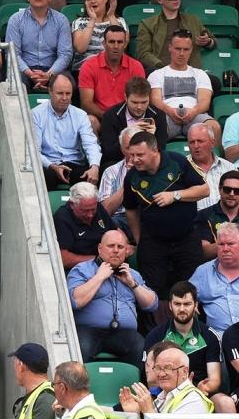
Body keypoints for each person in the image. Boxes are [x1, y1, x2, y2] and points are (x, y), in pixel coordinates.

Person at [124, 132, 209, 301]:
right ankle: (154, 327)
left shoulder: (176, 161)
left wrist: (175, 195)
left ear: (155, 151)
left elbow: (204, 190)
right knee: (151, 289)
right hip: (153, 241)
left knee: (190, 289)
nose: (134, 160)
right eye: (132, 155)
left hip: (186, 238)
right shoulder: (131, 177)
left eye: (140, 155)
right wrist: (139, 239)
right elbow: (130, 209)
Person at [67, 228, 158, 366]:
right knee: (81, 347)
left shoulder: (132, 274)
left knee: (139, 345)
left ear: (126, 251)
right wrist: (99, 277)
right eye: (111, 246)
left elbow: (152, 304)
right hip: (88, 330)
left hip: (123, 333)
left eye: (120, 247)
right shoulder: (82, 269)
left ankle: (129, 386)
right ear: (100, 248)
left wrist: (132, 284)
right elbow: (76, 301)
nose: (116, 250)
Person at [143, 282, 227, 414]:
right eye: (177, 304)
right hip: (164, 393)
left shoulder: (209, 335)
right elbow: (152, 381)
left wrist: (202, 388)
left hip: (200, 392)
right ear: (170, 305)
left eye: (187, 304)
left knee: (225, 402)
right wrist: (174, 392)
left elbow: (215, 379)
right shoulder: (156, 335)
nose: (182, 309)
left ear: (196, 305)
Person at [32, 74, 101, 190]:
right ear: (50, 91)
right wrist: (52, 166)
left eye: (68, 94)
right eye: (60, 93)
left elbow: (91, 144)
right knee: (42, 177)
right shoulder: (36, 114)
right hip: (49, 165)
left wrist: (94, 166)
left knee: (90, 177)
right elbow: (34, 151)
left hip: (74, 164)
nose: (64, 98)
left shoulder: (80, 115)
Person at [148, 31, 219, 140]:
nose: (181, 53)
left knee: (214, 127)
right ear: (170, 48)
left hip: (194, 114)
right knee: (150, 129)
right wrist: (170, 111)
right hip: (166, 115)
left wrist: (193, 112)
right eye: (177, 49)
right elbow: (155, 100)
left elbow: (205, 102)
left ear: (191, 50)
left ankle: (214, 157)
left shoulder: (200, 74)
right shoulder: (157, 74)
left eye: (186, 49)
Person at [5, 0, 73, 91]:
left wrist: (49, 74)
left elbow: (65, 54)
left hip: (53, 70)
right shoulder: (15, 20)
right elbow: (12, 54)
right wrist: (31, 74)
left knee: (67, 83)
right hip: (24, 71)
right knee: (15, 83)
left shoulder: (62, 20)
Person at [136, 0, 215, 74]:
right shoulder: (147, 24)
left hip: (190, 72)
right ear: (160, 0)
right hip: (161, 72)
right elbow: (143, 54)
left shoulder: (193, 20)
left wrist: (208, 42)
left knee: (215, 82)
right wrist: (162, 67)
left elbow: (212, 42)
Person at [79, 26, 145, 135]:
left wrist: (122, 119)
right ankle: (95, 152)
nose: (116, 46)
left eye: (120, 42)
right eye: (111, 42)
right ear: (104, 44)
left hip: (128, 118)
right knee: (90, 121)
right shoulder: (89, 66)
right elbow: (87, 103)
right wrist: (110, 117)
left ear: (125, 44)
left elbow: (140, 99)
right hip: (100, 118)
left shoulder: (136, 66)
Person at [99, 76, 167, 172]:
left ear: (149, 98)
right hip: (118, 161)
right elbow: (108, 151)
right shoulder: (111, 115)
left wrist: (151, 138)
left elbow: (161, 151)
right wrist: (128, 133)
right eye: (135, 102)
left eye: (144, 102)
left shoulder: (158, 116)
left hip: (147, 162)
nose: (139, 107)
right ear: (126, 97)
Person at [53, 181, 115, 271]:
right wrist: (99, 259)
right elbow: (64, 259)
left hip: (108, 263)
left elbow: (115, 230)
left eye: (93, 210)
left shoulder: (98, 207)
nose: (90, 215)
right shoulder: (62, 218)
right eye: (84, 211)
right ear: (72, 205)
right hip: (81, 269)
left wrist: (124, 246)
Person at [190, 223, 239, 334]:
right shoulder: (203, 272)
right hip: (218, 340)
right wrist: (191, 303)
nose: (225, 249)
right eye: (221, 244)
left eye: (231, 244)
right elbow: (185, 295)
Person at [71, 0, 127, 74]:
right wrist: (92, 19)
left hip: (112, 69)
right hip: (84, 70)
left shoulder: (119, 21)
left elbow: (122, 46)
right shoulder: (79, 22)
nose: (93, 1)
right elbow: (81, 48)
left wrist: (111, 16)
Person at [98, 125, 140, 232]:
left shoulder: (153, 168)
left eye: (136, 146)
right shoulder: (111, 172)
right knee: (105, 223)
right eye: (128, 148)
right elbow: (105, 211)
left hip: (145, 216)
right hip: (120, 219)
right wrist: (129, 180)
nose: (132, 152)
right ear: (121, 150)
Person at [186, 122, 232, 210]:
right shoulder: (181, 168)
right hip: (195, 220)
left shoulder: (229, 168)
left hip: (225, 220)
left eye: (200, 141)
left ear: (212, 143)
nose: (196, 146)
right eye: (192, 142)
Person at [198, 171, 239, 260]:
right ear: (220, 189)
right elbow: (204, 252)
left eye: (237, 191)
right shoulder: (204, 215)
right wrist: (231, 241)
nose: (232, 194)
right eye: (227, 189)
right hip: (213, 269)